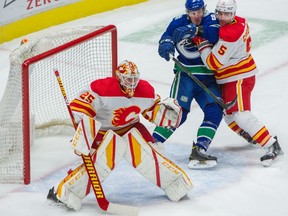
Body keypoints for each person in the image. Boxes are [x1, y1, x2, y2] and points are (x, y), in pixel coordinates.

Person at [46, 60, 192, 211]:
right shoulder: (103, 88)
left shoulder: (145, 90)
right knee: (96, 164)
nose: (132, 83)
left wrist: (164, 113)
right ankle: (64, 192)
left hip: (131, 129)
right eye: (128, 79)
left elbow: (152, 110)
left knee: (153, 154)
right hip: (103, 133)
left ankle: (176, 184)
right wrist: (83, 128)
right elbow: (82, 106)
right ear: (119, 77)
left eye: (135, 78)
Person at [197, 0, 284, 166]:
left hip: (239, 77)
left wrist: (202, 45)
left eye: (227, 14)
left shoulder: (230, 34)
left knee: (241, 114)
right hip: (232, 77)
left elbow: (213, 63)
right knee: (229, 117)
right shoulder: (240, 21)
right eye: (220, 13)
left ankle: (272, 145)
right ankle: (253, 135)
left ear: (233, 14)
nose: (222, 17)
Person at [153, 0, 223, 169]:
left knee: (215, 111)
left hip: (207, 77)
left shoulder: (211, 19)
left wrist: (195, 30)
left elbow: (214, 34)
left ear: (203, 10)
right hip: (185, 76)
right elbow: (166, 36)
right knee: (178, 113)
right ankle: (151, 143)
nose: (196, 16)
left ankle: (199, 149)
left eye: (199, 11)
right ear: (187, 12)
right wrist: (165, 44)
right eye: (192, 13)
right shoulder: (178, 21)